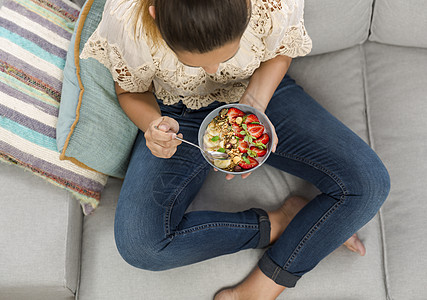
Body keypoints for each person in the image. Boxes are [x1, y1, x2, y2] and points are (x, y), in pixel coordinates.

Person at [81, 0, 391, 299]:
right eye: (196, 60)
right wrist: (153, 126)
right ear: (155, 16)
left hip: (256, 89)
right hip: (178, 112)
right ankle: (283, 221)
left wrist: (254, 105)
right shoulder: (126, 18)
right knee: (141, 245)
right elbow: (130, 90)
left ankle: (260, 290)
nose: (214, 69)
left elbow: (280, 52)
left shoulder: (272, 3)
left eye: (226, 53)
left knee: (369, 183)